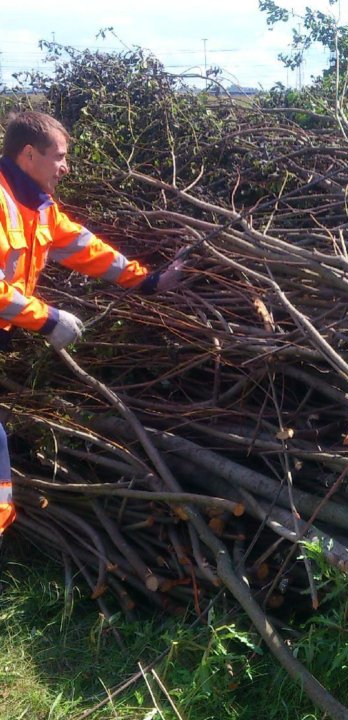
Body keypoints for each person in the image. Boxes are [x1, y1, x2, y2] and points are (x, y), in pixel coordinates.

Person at [0, 110, 184, 536]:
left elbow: (84, 246)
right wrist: (46, 319)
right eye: (59, 157)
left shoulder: (36, 206)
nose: (66, 167)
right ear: (29, 154)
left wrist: (148, 281)